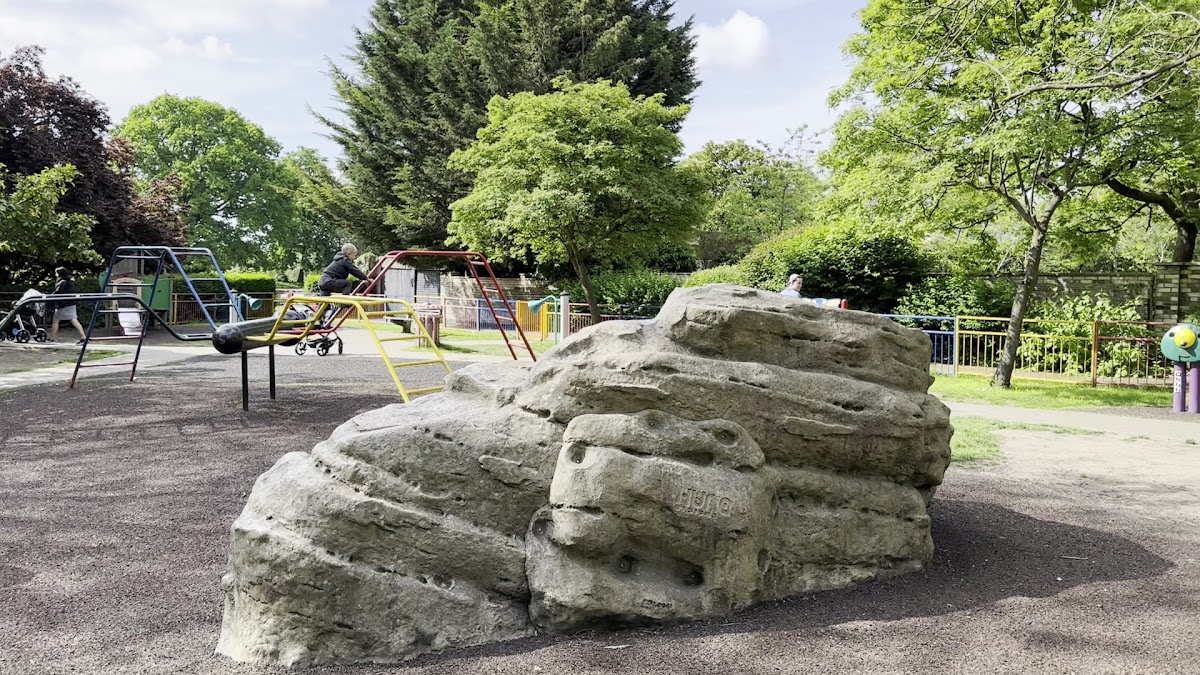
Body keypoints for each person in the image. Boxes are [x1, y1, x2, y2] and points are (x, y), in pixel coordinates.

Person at [49, 266, 86, 344]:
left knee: (56, 321)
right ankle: (83, 337)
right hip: (69, 303)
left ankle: (53, 338)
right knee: (73, 319)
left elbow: (58, 292)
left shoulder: (62, 282)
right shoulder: (66, 281)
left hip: (64, 304)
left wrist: (49, 296)